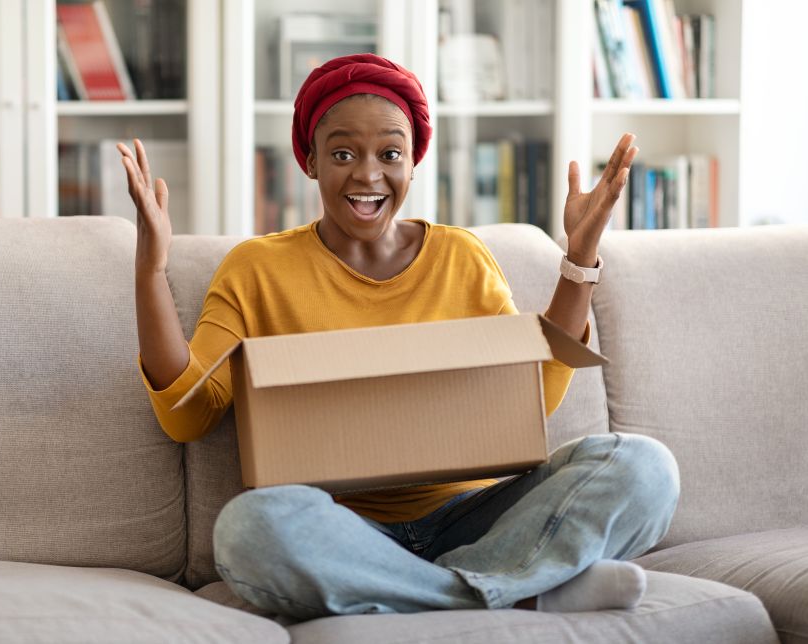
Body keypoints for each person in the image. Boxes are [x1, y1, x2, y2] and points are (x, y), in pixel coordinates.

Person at [118, 53, 680, 619]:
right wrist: (150, 270)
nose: (367, 174)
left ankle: (428, 590)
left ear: (413, 163)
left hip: (478, 515)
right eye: (342, 153)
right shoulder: (256, 269)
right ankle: (521, 590)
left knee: (645, 467)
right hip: (346, 530)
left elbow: (534, 393)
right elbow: (187, 414)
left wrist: (579, 259)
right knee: (249, 529)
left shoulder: (461, 256)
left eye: (390, 154)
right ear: (310, 160)